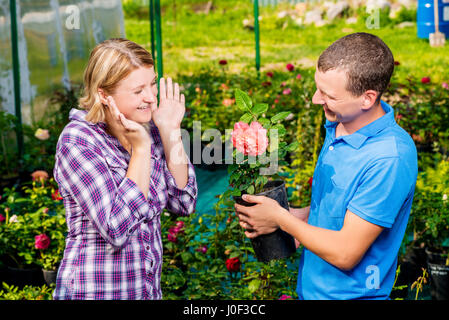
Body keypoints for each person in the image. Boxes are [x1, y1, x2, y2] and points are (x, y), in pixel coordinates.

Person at [235, 32, 418, 300]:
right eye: (318, 88)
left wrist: (281, 219)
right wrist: (303, 216)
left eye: (328, 95)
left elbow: (346, 253)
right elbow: (345, 203)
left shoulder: (389, 158)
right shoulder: (341, 123)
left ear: (367, 98)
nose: (315, 100)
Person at [52, 38, 197, 300]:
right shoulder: (79, 140)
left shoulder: (152, 129)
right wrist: (140, 152)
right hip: (94, 292)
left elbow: (184, 202)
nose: (151, 98)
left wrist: (171, 131)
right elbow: (116, 229)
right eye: (138, 90)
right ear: (104, 95)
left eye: (152, 84)